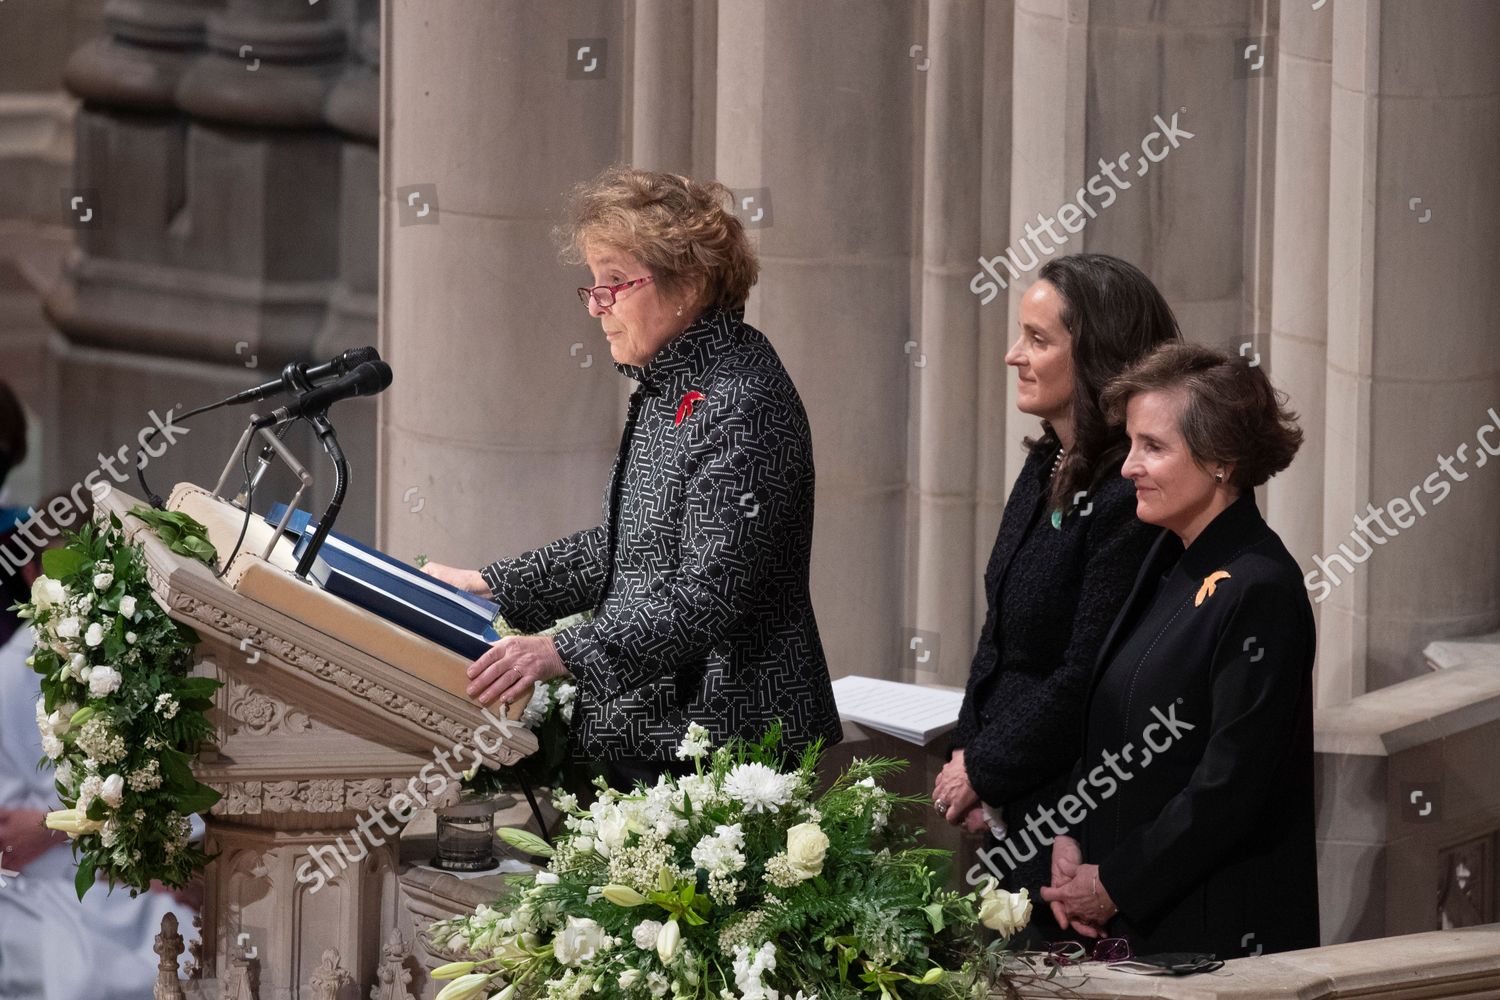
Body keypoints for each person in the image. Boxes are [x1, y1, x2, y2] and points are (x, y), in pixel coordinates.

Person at [423, 167, 842, 791]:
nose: (598, 306)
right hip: (660, 724)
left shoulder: (742, 399)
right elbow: (636, 547)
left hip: (724, 739)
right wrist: (492, 587)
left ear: (692, 282)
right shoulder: (677, 380)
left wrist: (560, 652)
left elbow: (711, 591)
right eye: (593, 286)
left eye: (616, 283)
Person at [1041, 342, 1318, 957]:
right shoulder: (1170, 556)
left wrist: (1115, 883)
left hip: (1209, 935)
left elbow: (1230, 787)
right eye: (1132, 443)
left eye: (1154, 447)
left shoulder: (1260, 587)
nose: (1128, 467)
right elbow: (1114, 722)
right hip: (1137, 927)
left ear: (1222, 459)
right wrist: (1074, 831)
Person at [932, 254, 1180, 940]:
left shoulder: (1132, 498)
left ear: (1098, 355)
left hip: (1077, 817)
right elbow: (1000, 638)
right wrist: (973, 758)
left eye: (1039, 340)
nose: (1015, 355)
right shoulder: (1048, 460)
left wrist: (986, 767)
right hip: (1016, 799)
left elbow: (1087, 676)